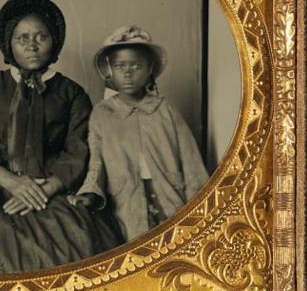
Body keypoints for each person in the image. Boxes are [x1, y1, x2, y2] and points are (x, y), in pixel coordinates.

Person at [0, 0, 122, 273]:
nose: (32, 46)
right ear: (9, 43)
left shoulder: (72, 93)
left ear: (54, 41)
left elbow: (78, 148)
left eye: (41, 37)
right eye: (23, 38)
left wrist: (46, 189)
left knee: (76, 239)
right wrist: (12, 182)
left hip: (52, 187)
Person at [70, 26, 209, 240]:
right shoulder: (102, 113)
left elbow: (190, 160)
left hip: (170, 194)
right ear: (110, 71)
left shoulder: (164, 109)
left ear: (149, 70)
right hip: (125, 199)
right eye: (120, 66)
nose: (127, 72)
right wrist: (90, 191)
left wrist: (200, 206)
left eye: (136, 65)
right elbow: (96, 160)